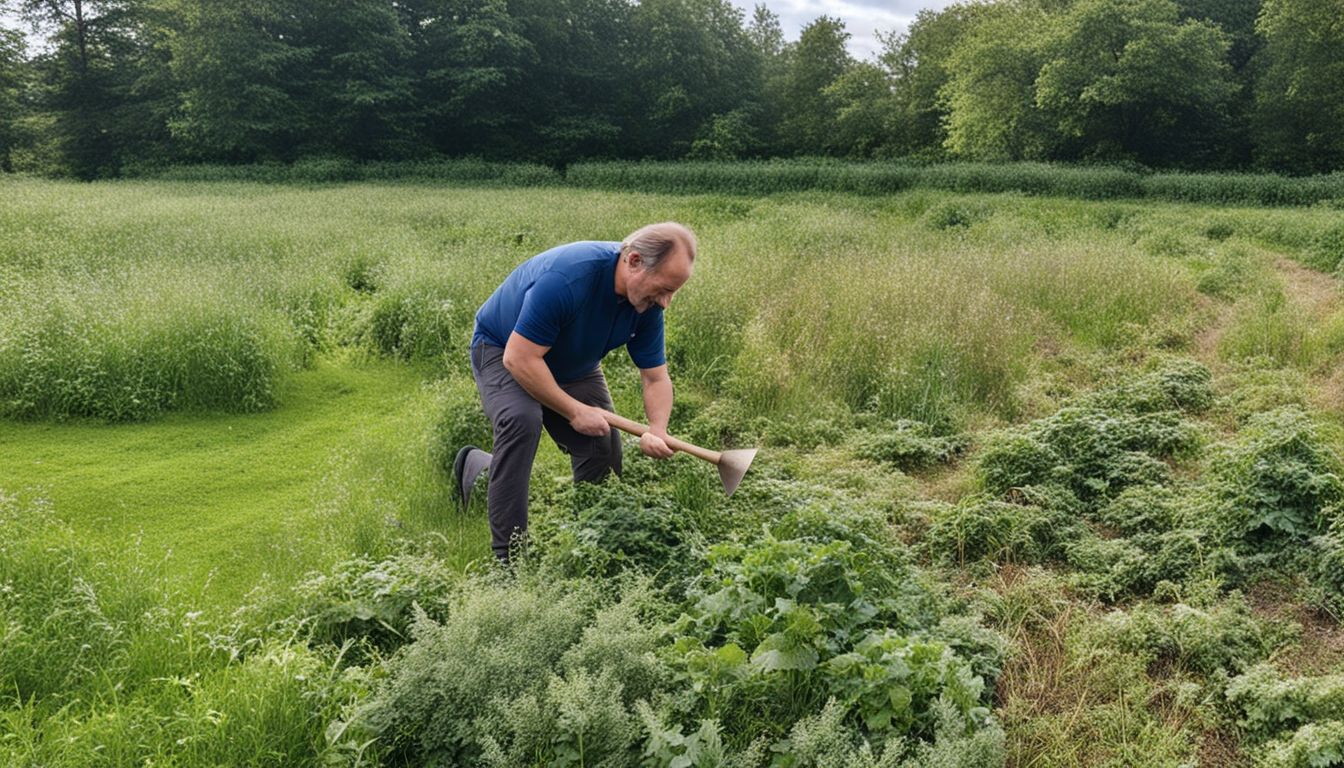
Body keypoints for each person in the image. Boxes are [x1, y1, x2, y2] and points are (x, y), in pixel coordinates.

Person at [454, 222, 697, 563]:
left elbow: (655, 378)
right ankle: (509, 561)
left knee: (603, 445)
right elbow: (519, 357)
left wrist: (657, 429)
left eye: (674, 291)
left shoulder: (647, 306)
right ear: (634, 261)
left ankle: (592, 543)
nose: (667, 302)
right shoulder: (569, 278)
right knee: (522, 420)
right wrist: (573, 411)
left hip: (572, 363)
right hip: (503, 348)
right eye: (664, 288)